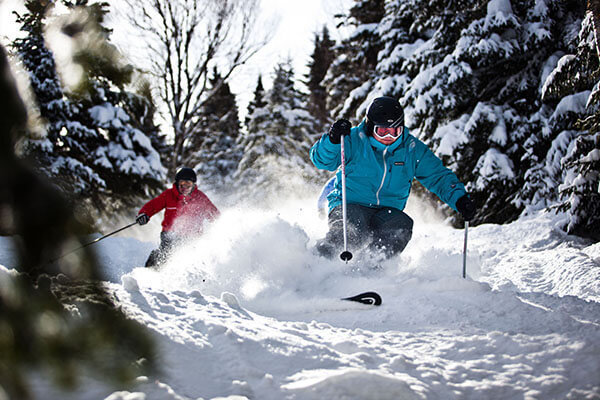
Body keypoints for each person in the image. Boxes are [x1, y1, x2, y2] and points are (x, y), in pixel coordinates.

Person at [310, 96, 475, 260]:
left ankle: (371, 269)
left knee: (400, 226)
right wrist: (333, 140)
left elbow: (437, 176)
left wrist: (459, 199)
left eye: (395, 131)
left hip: (387, 211)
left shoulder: (411, 149)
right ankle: (317, 263)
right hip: (350, 203)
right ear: (369, 127)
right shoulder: (353, 140)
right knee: (352, 230)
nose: (389, 136)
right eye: (382, 131)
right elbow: (322, 161)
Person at [136, 167, 220, 267]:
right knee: (166, 254)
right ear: (177, 184)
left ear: (193, 185)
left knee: (191, 259)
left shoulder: (200, 198)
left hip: (192, 238)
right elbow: (154, 205)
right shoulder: (169, 195)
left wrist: (220, 225)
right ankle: (153, 269)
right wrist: (144, 214)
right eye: (182, 185)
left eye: (188, 185)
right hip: (169, 235)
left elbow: (214, 215)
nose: (185, 189)